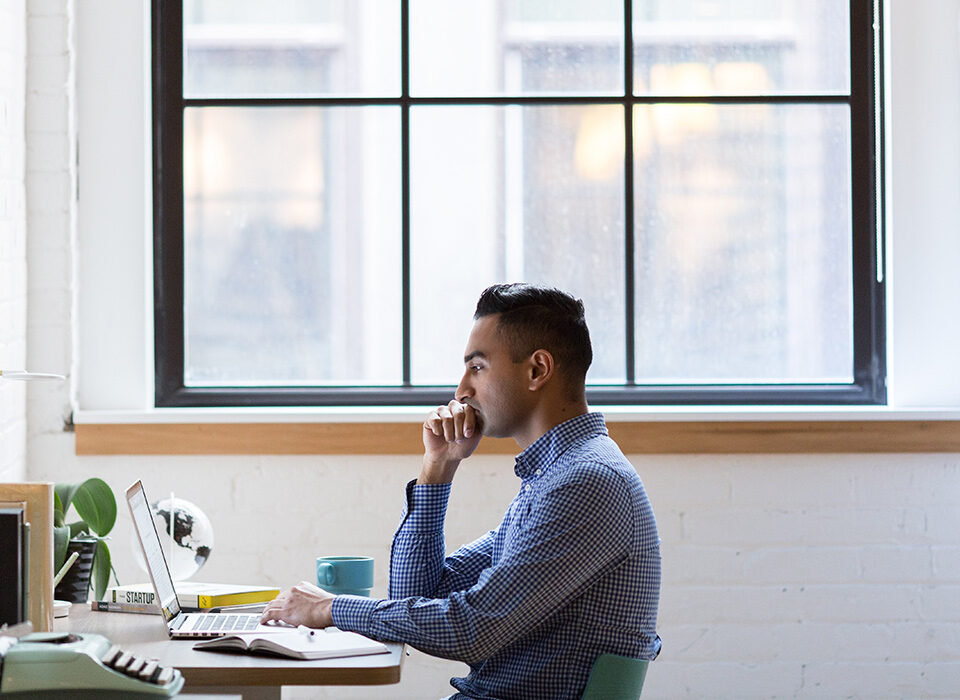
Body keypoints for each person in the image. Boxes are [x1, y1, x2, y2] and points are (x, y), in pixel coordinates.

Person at [261, 283, 661, 699]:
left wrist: (329, 609)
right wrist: (439, 467)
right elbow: (417, 596)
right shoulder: (552, 477)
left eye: (478, 367)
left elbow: (472, 629)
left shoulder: (585, 483)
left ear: (537, 370)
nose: (461, 391)